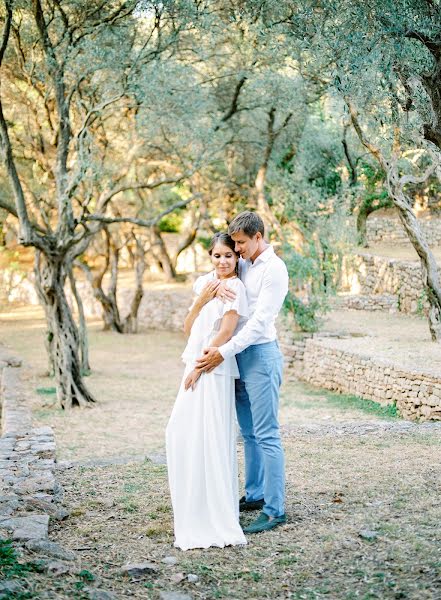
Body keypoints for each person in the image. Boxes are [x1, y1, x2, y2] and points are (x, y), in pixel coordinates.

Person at [195, 211, 289, 534]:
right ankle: (255, 494)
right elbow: (206, 277)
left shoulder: (274, 271)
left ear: (258, 238)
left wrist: (222, 351)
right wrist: (214, 290)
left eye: (241, 243)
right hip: (237, 358)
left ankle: (275, 509)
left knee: (267, 434)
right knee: (247, 433)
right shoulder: (244, 262)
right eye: (233, 243)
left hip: (260, 355)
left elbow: (259, 324)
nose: (236, 249)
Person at [166, 232, 248, 551]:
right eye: (217, 256)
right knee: (182, 433)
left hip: (213, 367)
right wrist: (202, 299)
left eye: (229, 255)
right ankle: (193, 502)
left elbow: (227, 331)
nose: (223, 261)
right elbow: (188, 327)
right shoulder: (203, 283)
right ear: (210, 257)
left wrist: (199, 369)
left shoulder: (237, 288)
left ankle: (216, 512)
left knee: (211, 434)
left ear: (236, 257)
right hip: (194, 362)